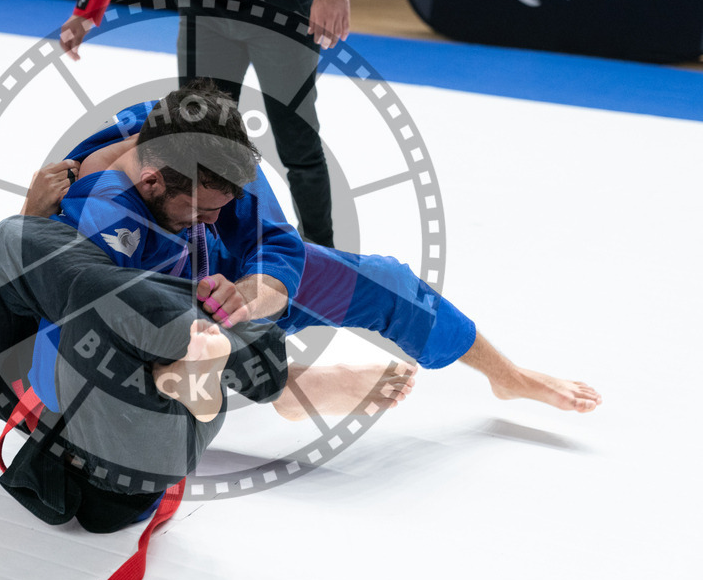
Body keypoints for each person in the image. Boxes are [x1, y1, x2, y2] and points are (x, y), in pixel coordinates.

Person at [0, 162, 415, 533]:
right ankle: (250, 373)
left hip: (168, 414)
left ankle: (209, 374)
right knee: (35, 250)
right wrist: (21, 245)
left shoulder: (42, 251)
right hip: (112, 475)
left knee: (90, 268)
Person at [49, 81, 603, 415]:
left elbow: (271, 239)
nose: (217, 221)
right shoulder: (91, 214)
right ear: (150, 184)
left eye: (223, 206)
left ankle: (507, 376)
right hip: (159, 318)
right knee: (178, 326)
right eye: (203, 210)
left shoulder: (192, 145)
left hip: (229, 286)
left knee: (384, 280)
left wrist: (257, 292)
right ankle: (292, 388)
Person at [59, 0, 353, 247]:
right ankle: (211, 248)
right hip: (204, 2)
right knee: (194, 138)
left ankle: (321, 251)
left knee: (297, 142)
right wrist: (88, 6)